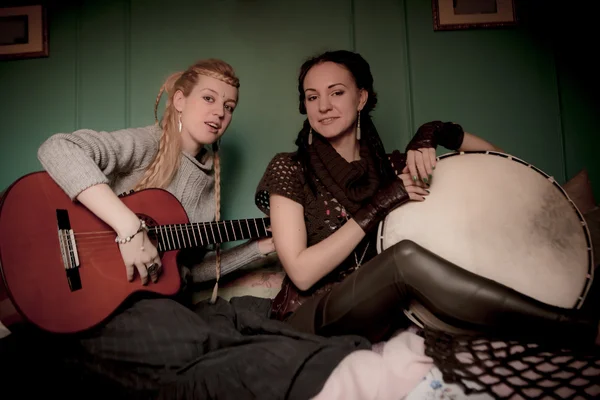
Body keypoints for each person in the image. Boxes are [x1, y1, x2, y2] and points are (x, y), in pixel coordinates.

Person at [1, 58, 371, 400]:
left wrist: (257, 250)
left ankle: (340, 367)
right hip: (85, 290)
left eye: (229, 107)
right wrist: (129, 228)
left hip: (130, 304)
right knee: (192, 335)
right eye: (209, 98)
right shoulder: (147, 143)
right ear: (179, 100)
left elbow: (185, 273)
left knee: (236, 320)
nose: (219, 113)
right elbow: (58, 147)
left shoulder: (209, 186)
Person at [255, 49, 600, 347]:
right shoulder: (289, 167)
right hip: (310, 314)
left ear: (361, 98)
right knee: (404, 259)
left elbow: (498, 162)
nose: (323, 106)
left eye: (336, 93)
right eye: (312, 96)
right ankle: (579, 331)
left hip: (383, 312)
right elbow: (300, 273)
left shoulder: (392, 169)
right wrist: (378, 206)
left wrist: (436, 131)